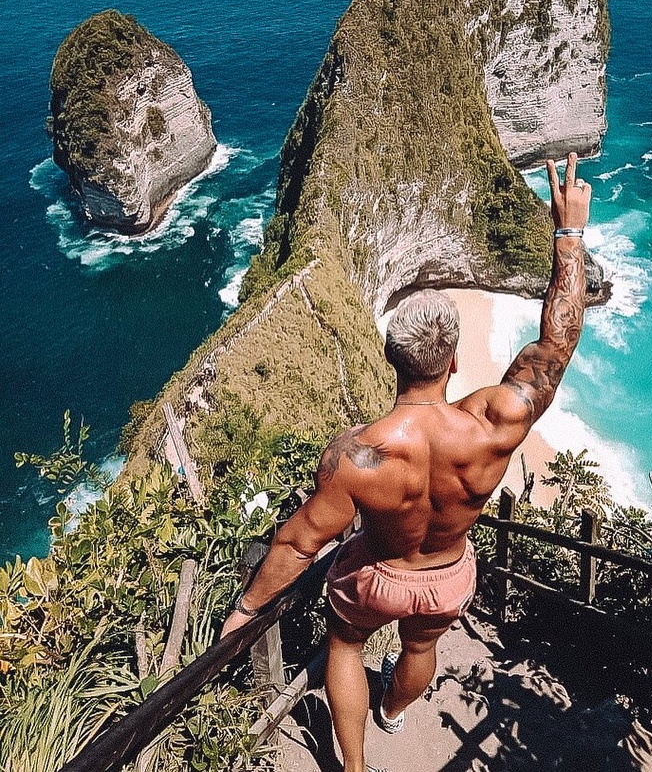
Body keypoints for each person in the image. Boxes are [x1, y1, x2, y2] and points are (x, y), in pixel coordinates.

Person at [221, 152, 592, 772]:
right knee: (422, 646)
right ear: (454, 362)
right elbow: (558, 342)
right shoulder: (497, 423)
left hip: (377, 576)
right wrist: (569, 232)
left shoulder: (357, 455)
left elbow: (298, 543)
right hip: (447, 574)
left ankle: (354, 766)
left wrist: (244, 610)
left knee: (345, 645)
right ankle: (393, 711)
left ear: (391, 359)